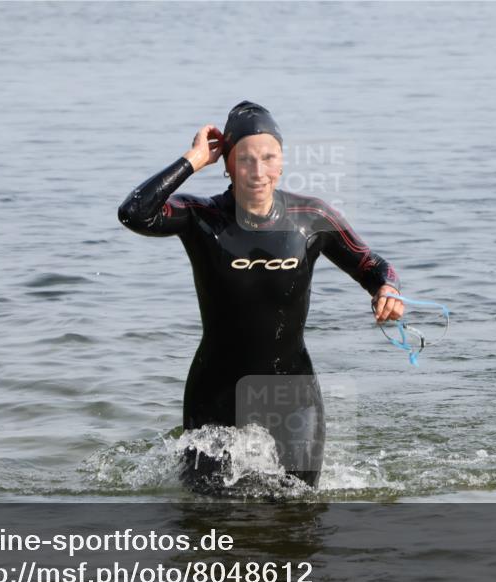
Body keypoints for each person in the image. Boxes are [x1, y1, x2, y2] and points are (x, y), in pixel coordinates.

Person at [118, 101, 404, 493]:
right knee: (207, 520)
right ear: (228, 165)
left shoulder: (311, 218)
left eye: (268, 158)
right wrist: (192, 159)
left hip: (292, 395)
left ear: (282, 162)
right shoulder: (202, 217)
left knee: (298, 512)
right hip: (215, 392)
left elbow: (372, 265)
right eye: (246, 159)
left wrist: (387, 290)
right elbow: (135, 213)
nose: (258, 171)